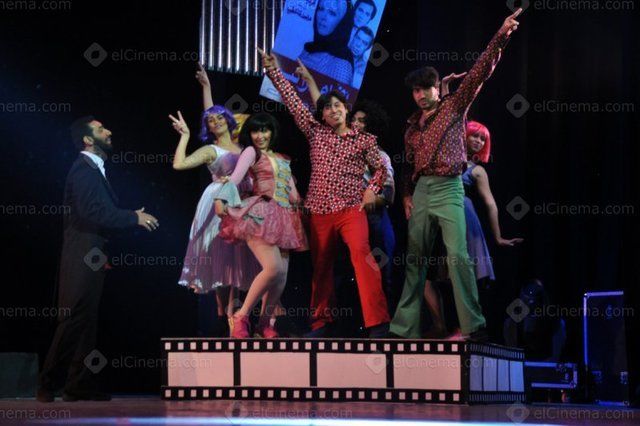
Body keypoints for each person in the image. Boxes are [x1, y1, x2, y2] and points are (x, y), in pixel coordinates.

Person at [390, 9, 523, 341]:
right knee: (415, 260)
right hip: (422, 190)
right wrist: (405, 194)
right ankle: (404, 329)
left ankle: (472, 326)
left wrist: (502, 34)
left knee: (458, 257)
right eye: (415, 90)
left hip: (450, 187)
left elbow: (480, 73)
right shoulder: (411, 127)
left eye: (426, 88)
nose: (421, 95)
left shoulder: (453, 106)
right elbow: (407, 164)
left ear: (437, 88)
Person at [260, 48, 390, 338]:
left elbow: (381, 169)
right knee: (321, 268)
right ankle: (321, 323)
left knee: (362, 257)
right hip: (319, 211)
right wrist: (274, 71)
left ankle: (378, 322)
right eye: (327, 108)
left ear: (346, 109)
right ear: (323, 114)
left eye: (337, 105)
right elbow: (294, 102)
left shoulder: (364, 140)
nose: (333, 110)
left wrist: (371, 190)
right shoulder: (316, 133)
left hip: (351, 209)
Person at [37, 117, 159, 403]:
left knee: (87, 320)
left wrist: (129, 216)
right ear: (88, 140)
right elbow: (93, 211)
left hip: (93, 254)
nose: (109, 131)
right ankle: (47, 383)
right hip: (82, 254)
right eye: (101, 129)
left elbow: (99, 210)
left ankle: (78, 384)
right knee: (73, 317)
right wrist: (133, 217)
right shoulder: (84, 169)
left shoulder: (93, 169)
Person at [171, 64, 259, 335]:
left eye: (221, 118)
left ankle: (236, 316)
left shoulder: (242, 146)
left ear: (230, 121)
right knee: (221, 258)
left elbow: (214, 111)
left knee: (238, 260)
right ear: (207, 127)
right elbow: (179, 164)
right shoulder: (211, 149)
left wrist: (208, 87)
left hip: (241, 202)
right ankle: (224, 316)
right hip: (218, 201)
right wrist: (185, 136)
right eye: (211, 121)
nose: (217, 121)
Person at [422, 120, 524, 338]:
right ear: (464, 135)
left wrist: (498, 237)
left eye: (482, 139)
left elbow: (491, 204)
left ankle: (467, 327)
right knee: (431, 275)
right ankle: (440, 325)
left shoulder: (477, 171)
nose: (478, 141)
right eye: (474, 136)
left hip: (464, 219)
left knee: (462, 273)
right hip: (438, 217)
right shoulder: (445, 159)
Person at [214, 113, 308, 338]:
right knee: (273, 268)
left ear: (272, 132)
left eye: (265, 130)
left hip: (285, 217)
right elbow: (235, 178)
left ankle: (265, 324)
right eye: (256, 131)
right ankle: (241, 316)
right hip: (261, 213)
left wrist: (307, 205)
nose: (260, 135)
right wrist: (220, 199)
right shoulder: (251, 152)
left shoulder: (282, 158)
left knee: (281, 275)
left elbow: (293, 194)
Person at [299, 0, 355, 85]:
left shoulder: (342, 64)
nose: (323, 17)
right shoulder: (309, 48)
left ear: (343, 21)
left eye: (332, 13)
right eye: (321, 9)